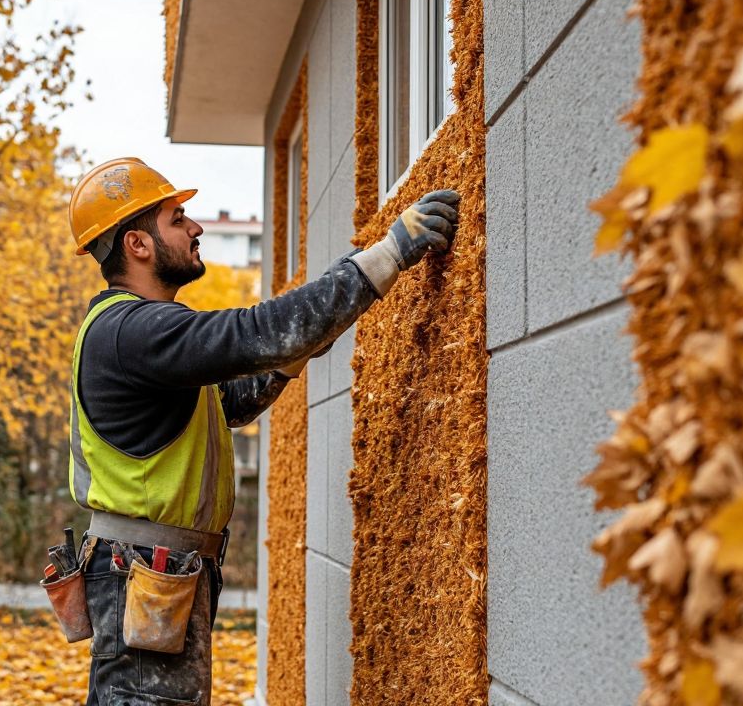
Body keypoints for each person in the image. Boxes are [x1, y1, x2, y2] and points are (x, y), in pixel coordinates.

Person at [66, 157, 459, 703]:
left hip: (158, 573)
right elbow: (255, 333)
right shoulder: (130, 331)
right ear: (138, 244)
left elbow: (236, 398)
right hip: (145, 572)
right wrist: (387, 255)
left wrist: (313, 327)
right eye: (178, 219)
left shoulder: (142, 338)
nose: (196, 228)